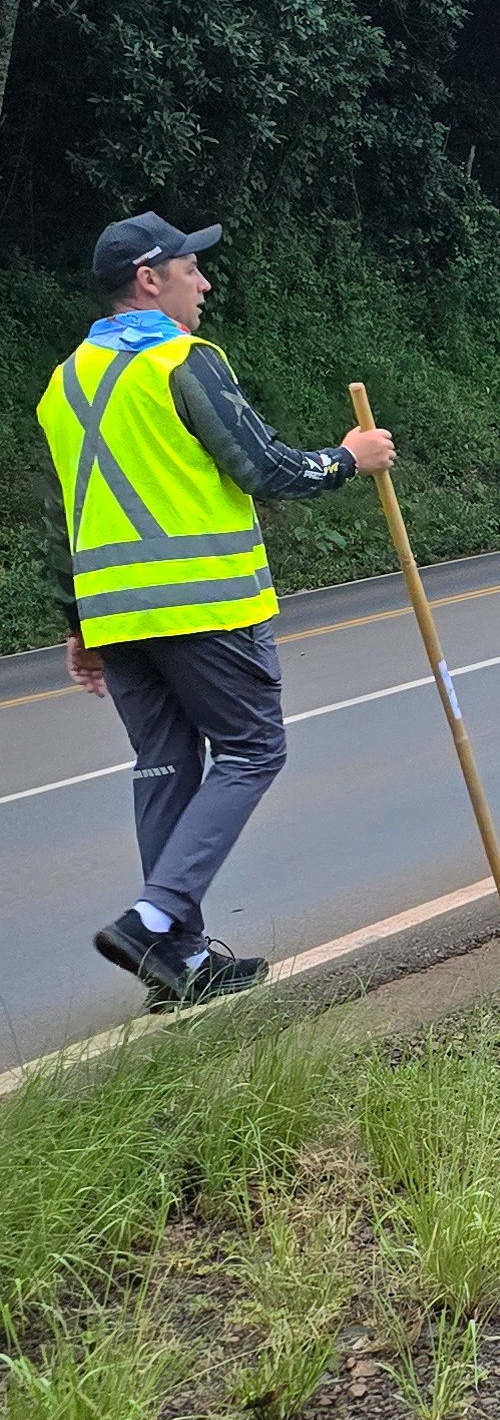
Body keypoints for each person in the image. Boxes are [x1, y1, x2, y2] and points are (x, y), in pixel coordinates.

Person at [35, 212, 395, 1006]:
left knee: (164, 768)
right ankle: (152, 918)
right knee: (252, 750)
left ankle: (182, 964)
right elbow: (262, 467)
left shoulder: (64, 383)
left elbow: (67, 513)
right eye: (191, 267)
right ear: (148, 280)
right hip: (202, 604)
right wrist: (348, 458)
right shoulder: (183, 361)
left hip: (117, 617)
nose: (204, 280)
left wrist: (77, 622)